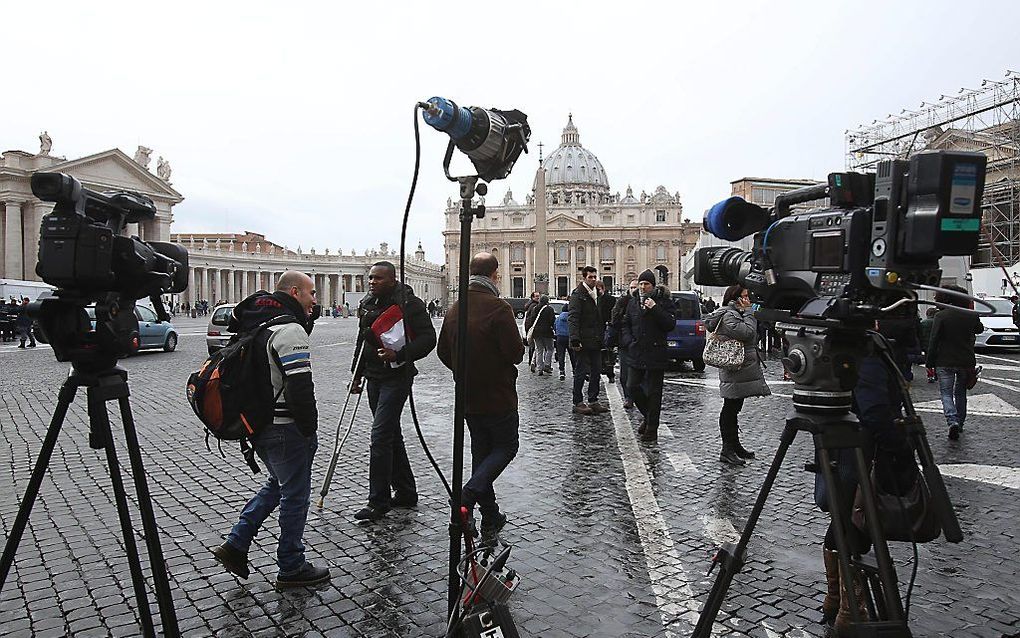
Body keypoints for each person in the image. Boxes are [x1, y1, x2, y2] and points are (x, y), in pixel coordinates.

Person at [212, 271, 330, 588]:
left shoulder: (261, 323)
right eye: (311, 294)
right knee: (295, 496)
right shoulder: (289, 331)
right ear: (295, 292)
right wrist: (309, 430)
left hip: (260, 424)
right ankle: (291, 564)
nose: (315, 300)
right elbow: (299, 388)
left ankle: (236, 543)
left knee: (276, 486)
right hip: (285, 428)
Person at [437, 252, 524, 543]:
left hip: (468, 395)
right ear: (495, 275)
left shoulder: (455, 308)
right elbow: (516, 353)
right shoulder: (499, 308)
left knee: (481, 454)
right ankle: (467, 495)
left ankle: (490, 516)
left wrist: (465, 370)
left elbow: (442, 352)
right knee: (506, 446)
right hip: (497, 394)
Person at [350, 261, 437, 521]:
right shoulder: (367, 303)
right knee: (391, 434)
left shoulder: (410, 304)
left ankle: (378, 501)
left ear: (392, 279)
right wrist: (356, 372)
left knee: (380, 437)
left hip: (397, 377)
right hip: (373, 377)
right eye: (370, 278)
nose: (372, 282)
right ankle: (407, 491)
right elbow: (363, 338)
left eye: (377, 278)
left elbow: (428, 339)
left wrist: (398, 354)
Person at [704, 285, 770, 465]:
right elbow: (748, 333)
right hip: (734, 369)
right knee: (730, 409)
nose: (748, 299)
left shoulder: (734, 314)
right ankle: (727, 449)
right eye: (745, 296)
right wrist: (749, 312)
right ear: (736, 298)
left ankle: (735, 445)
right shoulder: (730, 315)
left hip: (739, 368)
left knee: (734, 408)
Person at [621, 271, 676, 441]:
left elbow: (669, 324)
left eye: (647, 284)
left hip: (655, 352)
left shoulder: (663, 302)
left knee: (654, 392)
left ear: (653, 286)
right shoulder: (633, 302)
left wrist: (655, 308)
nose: (643, 287)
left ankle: (652, 428)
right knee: (632, 386)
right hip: (636, 351)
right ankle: (648, 416)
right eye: (641, 283)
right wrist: (629, 341)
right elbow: (626, 324)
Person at [926, 286, 982, 440]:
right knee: (961, 392)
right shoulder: (970, 315)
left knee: (946, 393)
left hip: (945, 360)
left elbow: (934, 340)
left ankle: (952, 421)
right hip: (966, 360)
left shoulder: (941, 316)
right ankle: (961, 422)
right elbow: (979, 329)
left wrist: (929, 361)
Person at [568, 266, 609, 415]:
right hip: (582, 341)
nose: (593, 279)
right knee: (580, 371)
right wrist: (574, 339)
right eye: (590, 277)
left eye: (594, 277)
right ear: (584, 278)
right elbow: (573, 318)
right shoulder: (578, 295)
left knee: (596, 371)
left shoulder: (597, 294)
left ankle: (593, 400)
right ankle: (577, 401)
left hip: (595, 340)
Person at [610, 280, 639, 408]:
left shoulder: (646, 301)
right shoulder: (622, 302)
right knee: (625, 374)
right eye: (632, 287)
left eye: (636, 287)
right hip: (625, 342)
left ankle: (638, 397)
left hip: (641, 342)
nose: (634, 290)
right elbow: (614, 319)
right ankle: (628, 397)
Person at [529, 295, 555, 376]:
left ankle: (540, 368)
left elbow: (532, 319)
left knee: (539, 350)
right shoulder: (549, 309)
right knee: (550, 349)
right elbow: (552, 320)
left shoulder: (535, 308)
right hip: (547, 332)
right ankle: (547, 365)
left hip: (536, 332)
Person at [522, 291, 541, 372]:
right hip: (532, 327)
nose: (538, 297)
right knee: (535, 346)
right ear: (533, 297)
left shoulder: (530, 305)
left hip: (529, 327)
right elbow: (532, 318)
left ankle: (531, 361)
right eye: (536, 296)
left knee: (532, 346)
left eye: (538, 296)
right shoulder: (534, 306)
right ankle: (532, 361)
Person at [553, 303, 573, 381]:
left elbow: (554, 326)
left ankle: (562, 371)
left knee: (561, 355)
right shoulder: (571, 317)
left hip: (560, 337)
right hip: (569, 337)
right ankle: (574, 370)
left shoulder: (558, 318)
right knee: (572, 355)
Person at [919, 307, 938, 383]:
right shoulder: (937, 322)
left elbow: (921, 335)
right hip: (937, 345)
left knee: (928, 361)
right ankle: (936, 374)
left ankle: (930, 375)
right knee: (937, 360)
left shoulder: (923, 323)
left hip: (926, 345)